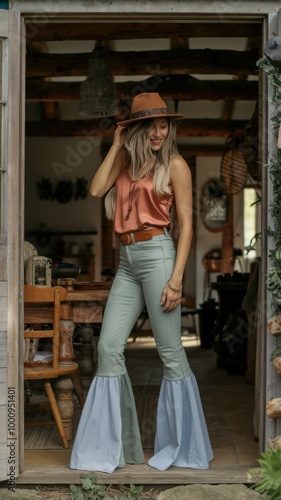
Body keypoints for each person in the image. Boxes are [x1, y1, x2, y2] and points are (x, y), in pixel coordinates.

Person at [70, 92, 213, 473]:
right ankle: (115, 447)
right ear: (135, 129)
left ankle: (186, 449)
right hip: (127, 260)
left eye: (163, 124)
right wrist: (116, 143)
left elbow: (186, 228)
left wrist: (177, 278)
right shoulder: (125, 160)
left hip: (159, 257)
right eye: (150, 125)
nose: (158, 132)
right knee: (108, 347)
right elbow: (96, 189)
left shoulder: (177, 166)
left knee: (170, 353)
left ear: (170, 128)